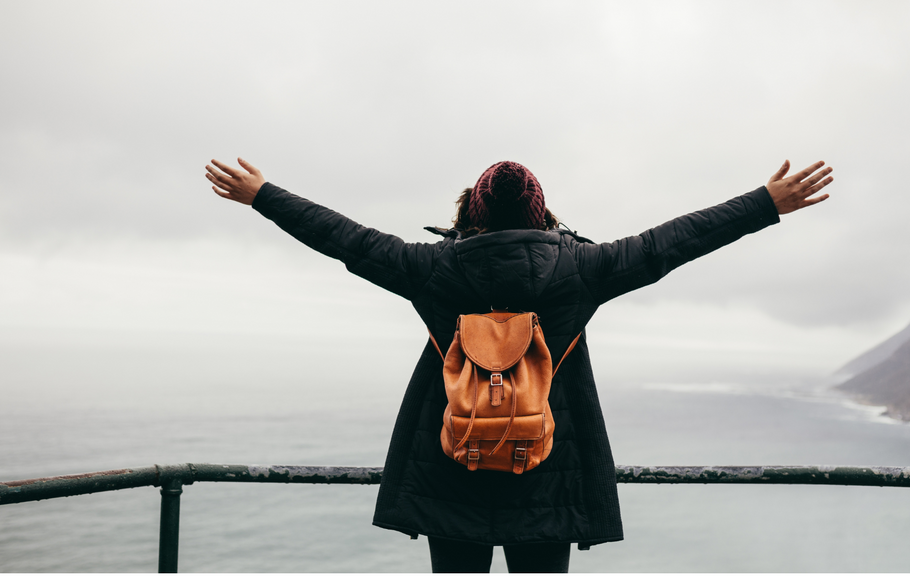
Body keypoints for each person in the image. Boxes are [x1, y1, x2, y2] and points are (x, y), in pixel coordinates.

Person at [205, 158, 833, 573]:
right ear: (544, 214)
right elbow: (677, 240)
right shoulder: (585, 268)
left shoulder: (430, 269)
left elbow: (343, 237)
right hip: (549, 468)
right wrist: (765, 203)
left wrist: (262, 195)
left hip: (452, 465)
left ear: (469, 211)